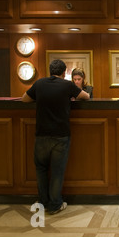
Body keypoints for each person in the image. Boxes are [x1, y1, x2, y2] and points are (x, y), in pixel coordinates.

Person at [22, 59, 90, 214]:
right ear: (64, 72)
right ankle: (55, 205)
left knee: (41, 170)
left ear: (49, 71)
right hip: (60, 135)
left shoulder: (39, 84)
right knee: (57, 171)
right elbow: (85, 97)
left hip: (41, 135)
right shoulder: (67, 85)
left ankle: (43, 202)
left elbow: (24, 99)